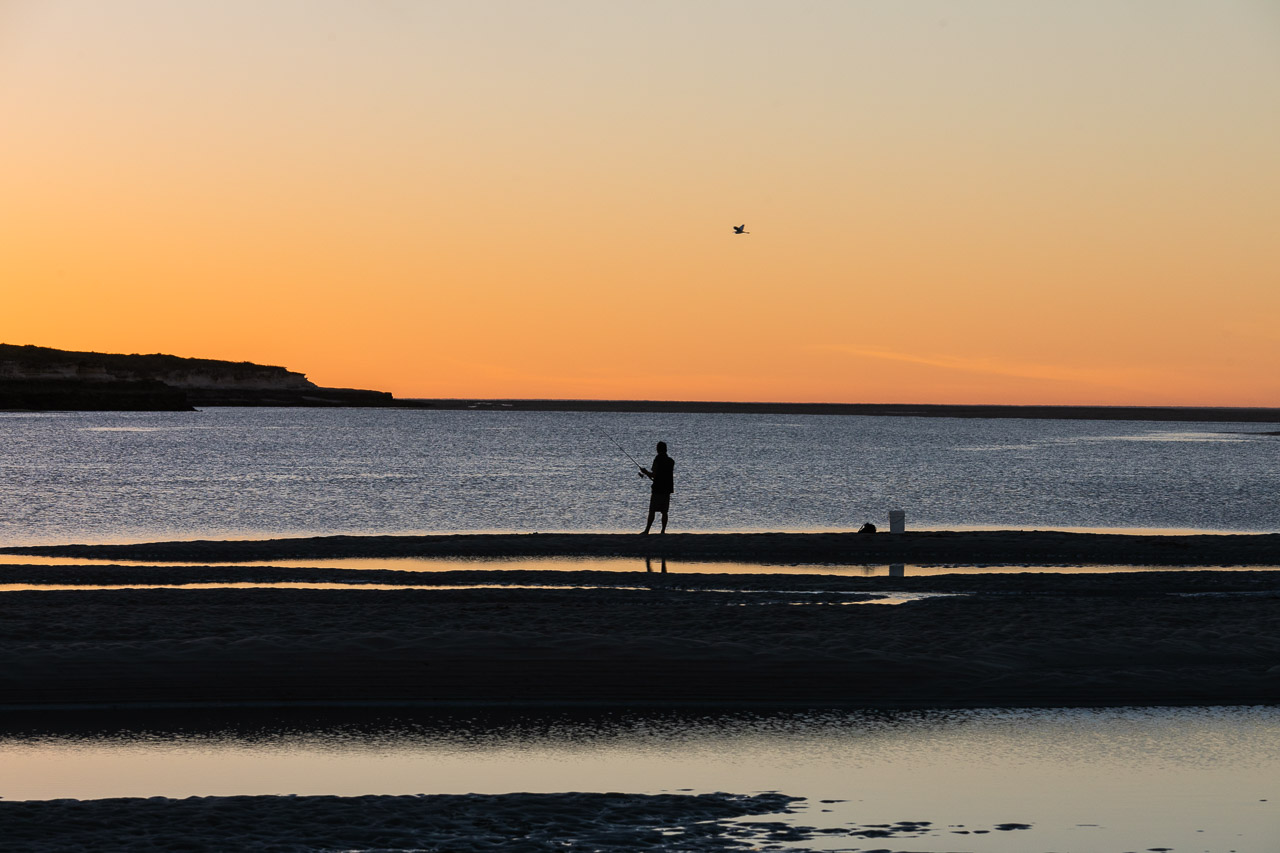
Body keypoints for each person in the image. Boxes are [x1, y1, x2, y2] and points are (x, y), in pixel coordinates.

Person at [639, 441, 674, 534]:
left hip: (658, 489)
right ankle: (663, 531)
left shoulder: (657, 459)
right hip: (667, 489)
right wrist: (649, 474)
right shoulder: (671, 461)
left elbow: (654, 474)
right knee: (665, 511)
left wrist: (645, 472)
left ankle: (647, 530)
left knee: (652, 510)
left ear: (658, 449)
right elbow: (662, 475)